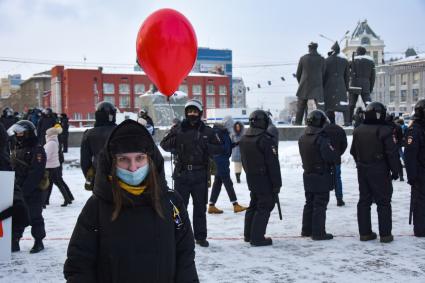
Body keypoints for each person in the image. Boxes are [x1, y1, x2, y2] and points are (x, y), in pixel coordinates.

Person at [64, 119, 198, 282]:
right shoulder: (96, 206)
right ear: (112, 162)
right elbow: (79, 263)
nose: (133, 167)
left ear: (151, 159)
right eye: (123, 159)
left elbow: (185, 258)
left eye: (139, 158)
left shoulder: (171, 202)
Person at [160, 99, 223, 248]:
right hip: (182, 174)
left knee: (200, 207)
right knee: (179, 208)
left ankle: (200, 237)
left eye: (195, 111)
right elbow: (164, 145)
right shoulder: (178, 128)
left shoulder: (207, 131)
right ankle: (178, 236)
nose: (192, 114)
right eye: (189, 111)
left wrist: (206, 146)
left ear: (200, 113)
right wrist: (175, 136)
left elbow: (220, 148)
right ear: (186, 113)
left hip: (200, 174)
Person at [350, 102, 399, 243]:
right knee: (383, 202)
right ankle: (385, 235)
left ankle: (365, 233)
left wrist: (361, 162)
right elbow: (392, 153)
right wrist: (395, 171)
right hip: (379, 170)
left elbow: (353, 151)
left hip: (363, 169)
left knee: (364, 201)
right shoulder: (384, 130)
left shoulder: (358, 130)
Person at [239, 110, 282, 246]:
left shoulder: (245, 138)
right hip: (264, 178)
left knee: (254, 204)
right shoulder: (265, 139)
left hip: (252, 177)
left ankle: (248, 234)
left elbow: (244, 161)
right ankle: (257, 237)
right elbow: (273, 164)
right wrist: (277, 184)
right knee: (264, 205)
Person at [8, 120, 47, 253]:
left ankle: (39, 241)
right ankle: (15, 241)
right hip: (18, 189)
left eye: (20, 133)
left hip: (32, 190)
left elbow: (36, 173)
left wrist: (24, 190)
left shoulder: (37, 149)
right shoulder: (17, 148)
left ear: (28, 133)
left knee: (34, 216)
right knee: (17, 216)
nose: (17, 135)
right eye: (16, 133)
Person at [299, 110, 338, 240]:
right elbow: (329, 156)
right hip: (321, 175)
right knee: (320, 204)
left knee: (309, 203)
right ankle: (318, 232)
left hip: (308, 173)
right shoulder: (322, 138)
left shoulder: (303, 137)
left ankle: (306, 229)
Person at [208, 116, 247, 214]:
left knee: (217, 183)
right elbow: (224, 148)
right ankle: (235, 205)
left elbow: (226, 146)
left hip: (220, 161)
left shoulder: (222, 132)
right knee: (228, 183)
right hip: (221, 161)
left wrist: (237, 143)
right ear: (228, 125)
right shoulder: (221, 133)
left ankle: (211, 205)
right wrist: (231, 145)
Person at [80, 101, 117, 190]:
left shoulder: (89, 134)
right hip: (119, 173)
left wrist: (90, 177)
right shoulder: (120, 130)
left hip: (98, 174)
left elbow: (84, 161)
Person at [404, 99, 425, 237]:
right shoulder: (415, 130)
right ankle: (421, 229)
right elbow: (410, 155)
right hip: (420, 171)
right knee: (420, 202)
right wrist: (412, 175)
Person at [294, 42, 326, 125]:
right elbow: (324, 73)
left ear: (309, 48)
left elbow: (298, 74)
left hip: (305, 85)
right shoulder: (322, 59)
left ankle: (297, 123)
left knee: (301, 107)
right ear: (316, 48)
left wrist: (301, 82)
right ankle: (322, 123)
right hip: (318, 85)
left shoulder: (303, 58)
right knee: (320, 106)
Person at [43, 126, 74, 207]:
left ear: (50, 134)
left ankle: (67, 199)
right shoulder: (53, 141)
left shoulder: (51, 143)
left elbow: (47, 156)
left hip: (51, 167)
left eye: (47, 133)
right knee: (52, 184)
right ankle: (46, 201)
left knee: (57, 184)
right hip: (53, 166)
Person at [323, 111, 348, 206]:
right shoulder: (340, 129)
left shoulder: (323, 130)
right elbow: (344, 144)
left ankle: (325, 200)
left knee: (325, 178)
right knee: (337, 178)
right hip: (336, 158)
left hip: (325, 159)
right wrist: (338, 153)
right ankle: (339, 199)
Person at [323, 42, 350, 126]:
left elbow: (323, 75)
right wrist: (346, 88)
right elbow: (347, 76)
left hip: (328, 86)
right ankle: (347, 122)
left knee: (328, 107)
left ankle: (331, 123)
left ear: (332, 50)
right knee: (344, 107)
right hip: (341, 85)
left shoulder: (326, 60)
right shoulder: (345, 61)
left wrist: (323, 86)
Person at [348, 46, 375, 121]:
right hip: (366, 85)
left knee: (351, 104)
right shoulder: (370, 61)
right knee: (368, 104)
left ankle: (348, 121)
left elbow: (347, 73)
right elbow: (373, 77)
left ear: (358, 52)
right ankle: (371, 119)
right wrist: (370, 88)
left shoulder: (352, 61)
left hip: (354, 84)